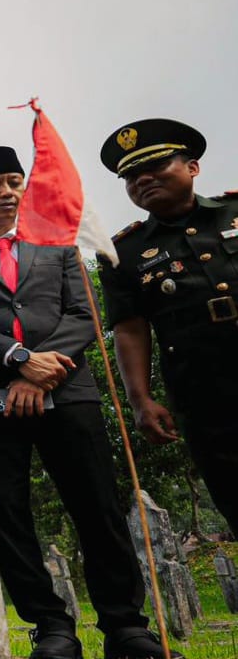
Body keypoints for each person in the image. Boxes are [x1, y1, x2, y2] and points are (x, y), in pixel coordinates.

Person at [0, 145, 168, 659]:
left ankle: (126, 625)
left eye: (16, 181)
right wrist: (16, 358)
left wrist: (39, 374)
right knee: (7, 515)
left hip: (69, 391)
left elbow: (84, 315)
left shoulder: (58, 249)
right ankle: (50, 625)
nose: (8, 192)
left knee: (97, 506)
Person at [97, 119, 238, 533]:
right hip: (206, 393)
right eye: (131, 177)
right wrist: (140, 401)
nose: (143, 180)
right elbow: (130, 329)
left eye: (156, 166)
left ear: (192, 167)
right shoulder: (123, 253)